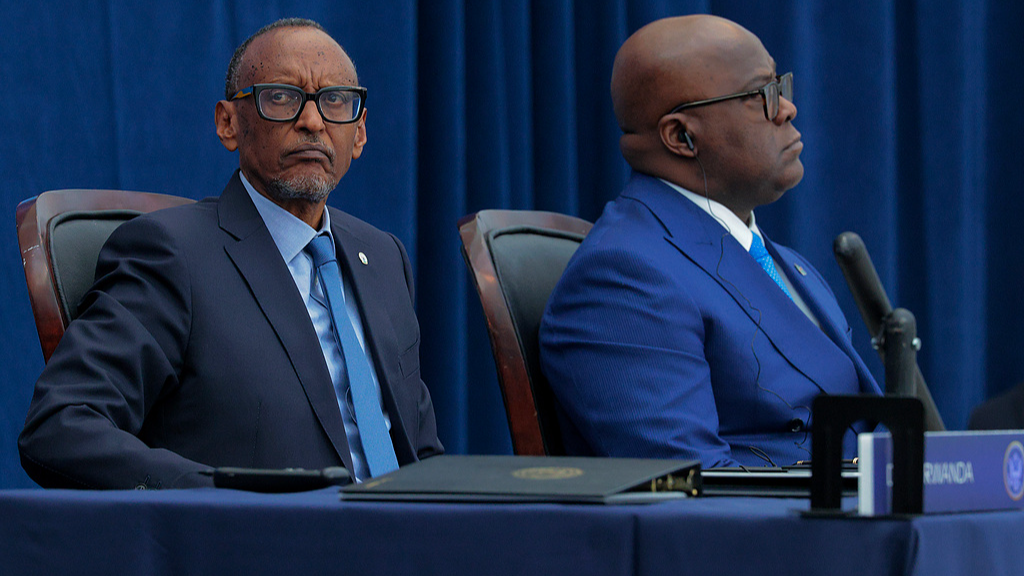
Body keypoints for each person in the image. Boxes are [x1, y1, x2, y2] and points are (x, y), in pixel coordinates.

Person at [18, 18, 442, 489]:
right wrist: (221, 498)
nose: (313, 121)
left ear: (359, 134)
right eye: (281, 97)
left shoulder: (382, 256)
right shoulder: (171, 255)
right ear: (228, 123)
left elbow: (420, 451)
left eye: (335, 101)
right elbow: (60, 425)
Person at [538, 15, 881, 469]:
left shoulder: (787, 264)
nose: (786, 109)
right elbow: (696, 489)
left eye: (780, 85)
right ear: (682, 136)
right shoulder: (622, 279)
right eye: (761, 95)